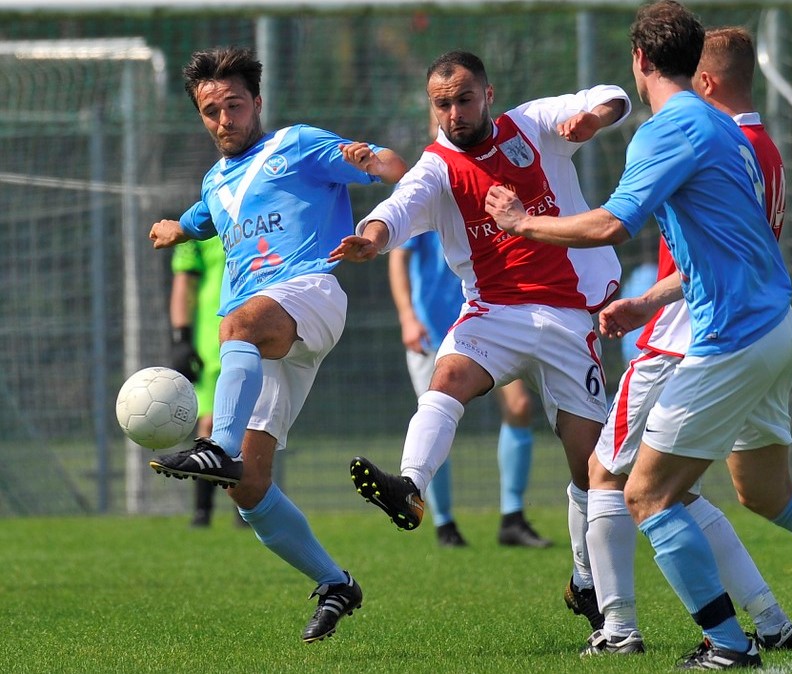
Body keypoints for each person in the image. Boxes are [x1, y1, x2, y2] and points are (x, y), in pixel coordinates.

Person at [485, 2, 792, 667]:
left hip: (732, 338)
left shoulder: (667, 130)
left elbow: (613, 224)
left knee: (644, 492)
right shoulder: (726, 131)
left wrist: (521, 222)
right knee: (763, 490)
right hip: (774, 326)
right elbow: (724, 247)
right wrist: (649, 301)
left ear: (639, 60)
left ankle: (726, 644)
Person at [328, 50, 629, 627]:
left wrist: (595, 118)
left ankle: (586, 582)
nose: (453, 111)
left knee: (587, 467)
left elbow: (611, 92)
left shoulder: (533, 124)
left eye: (463, 99)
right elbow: (397, 208)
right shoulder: (436, 166)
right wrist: (370, 237)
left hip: (569, 314)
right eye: (441, 102)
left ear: (487, 95)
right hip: (494, 310)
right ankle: (410, 487)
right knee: (447, 377)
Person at [145, 46, 407, 643]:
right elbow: (203, 216)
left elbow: (382, 163)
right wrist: (173, 228)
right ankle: (335, 582)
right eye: (210, 111)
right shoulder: (215, 180)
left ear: (256, 103)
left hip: (309, 292)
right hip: (273, 342)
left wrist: (380, 161)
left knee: (233, 323)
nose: (223, 120)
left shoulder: (296, 145)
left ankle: (216, 444)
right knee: (248, 487)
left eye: (234, 106)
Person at [570, 25, 792, 658]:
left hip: (700, 333)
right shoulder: (752, 141)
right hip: (743, 322)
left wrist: (520, 223)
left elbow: (616, 223)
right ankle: (777, 617)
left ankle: (622, 628)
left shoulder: (684, 130)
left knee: (617, 477)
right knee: (701, 489)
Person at [388, 233, 551, 548]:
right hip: (432, 333)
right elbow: (398, 255)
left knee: (519, 407)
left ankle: (512, 518)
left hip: (485, 324)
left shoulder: (486, 186)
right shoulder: (421, 184)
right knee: (435, 424)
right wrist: (407, 317)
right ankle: (443, 523)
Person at [168, 236, 248, 528]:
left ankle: (247, 506)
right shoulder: (198, 225)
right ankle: (203, 511)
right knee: (211, 423)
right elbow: (184, 282)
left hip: (254, 330)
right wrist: (181, 336)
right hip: (212, 341)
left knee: (252, 424)